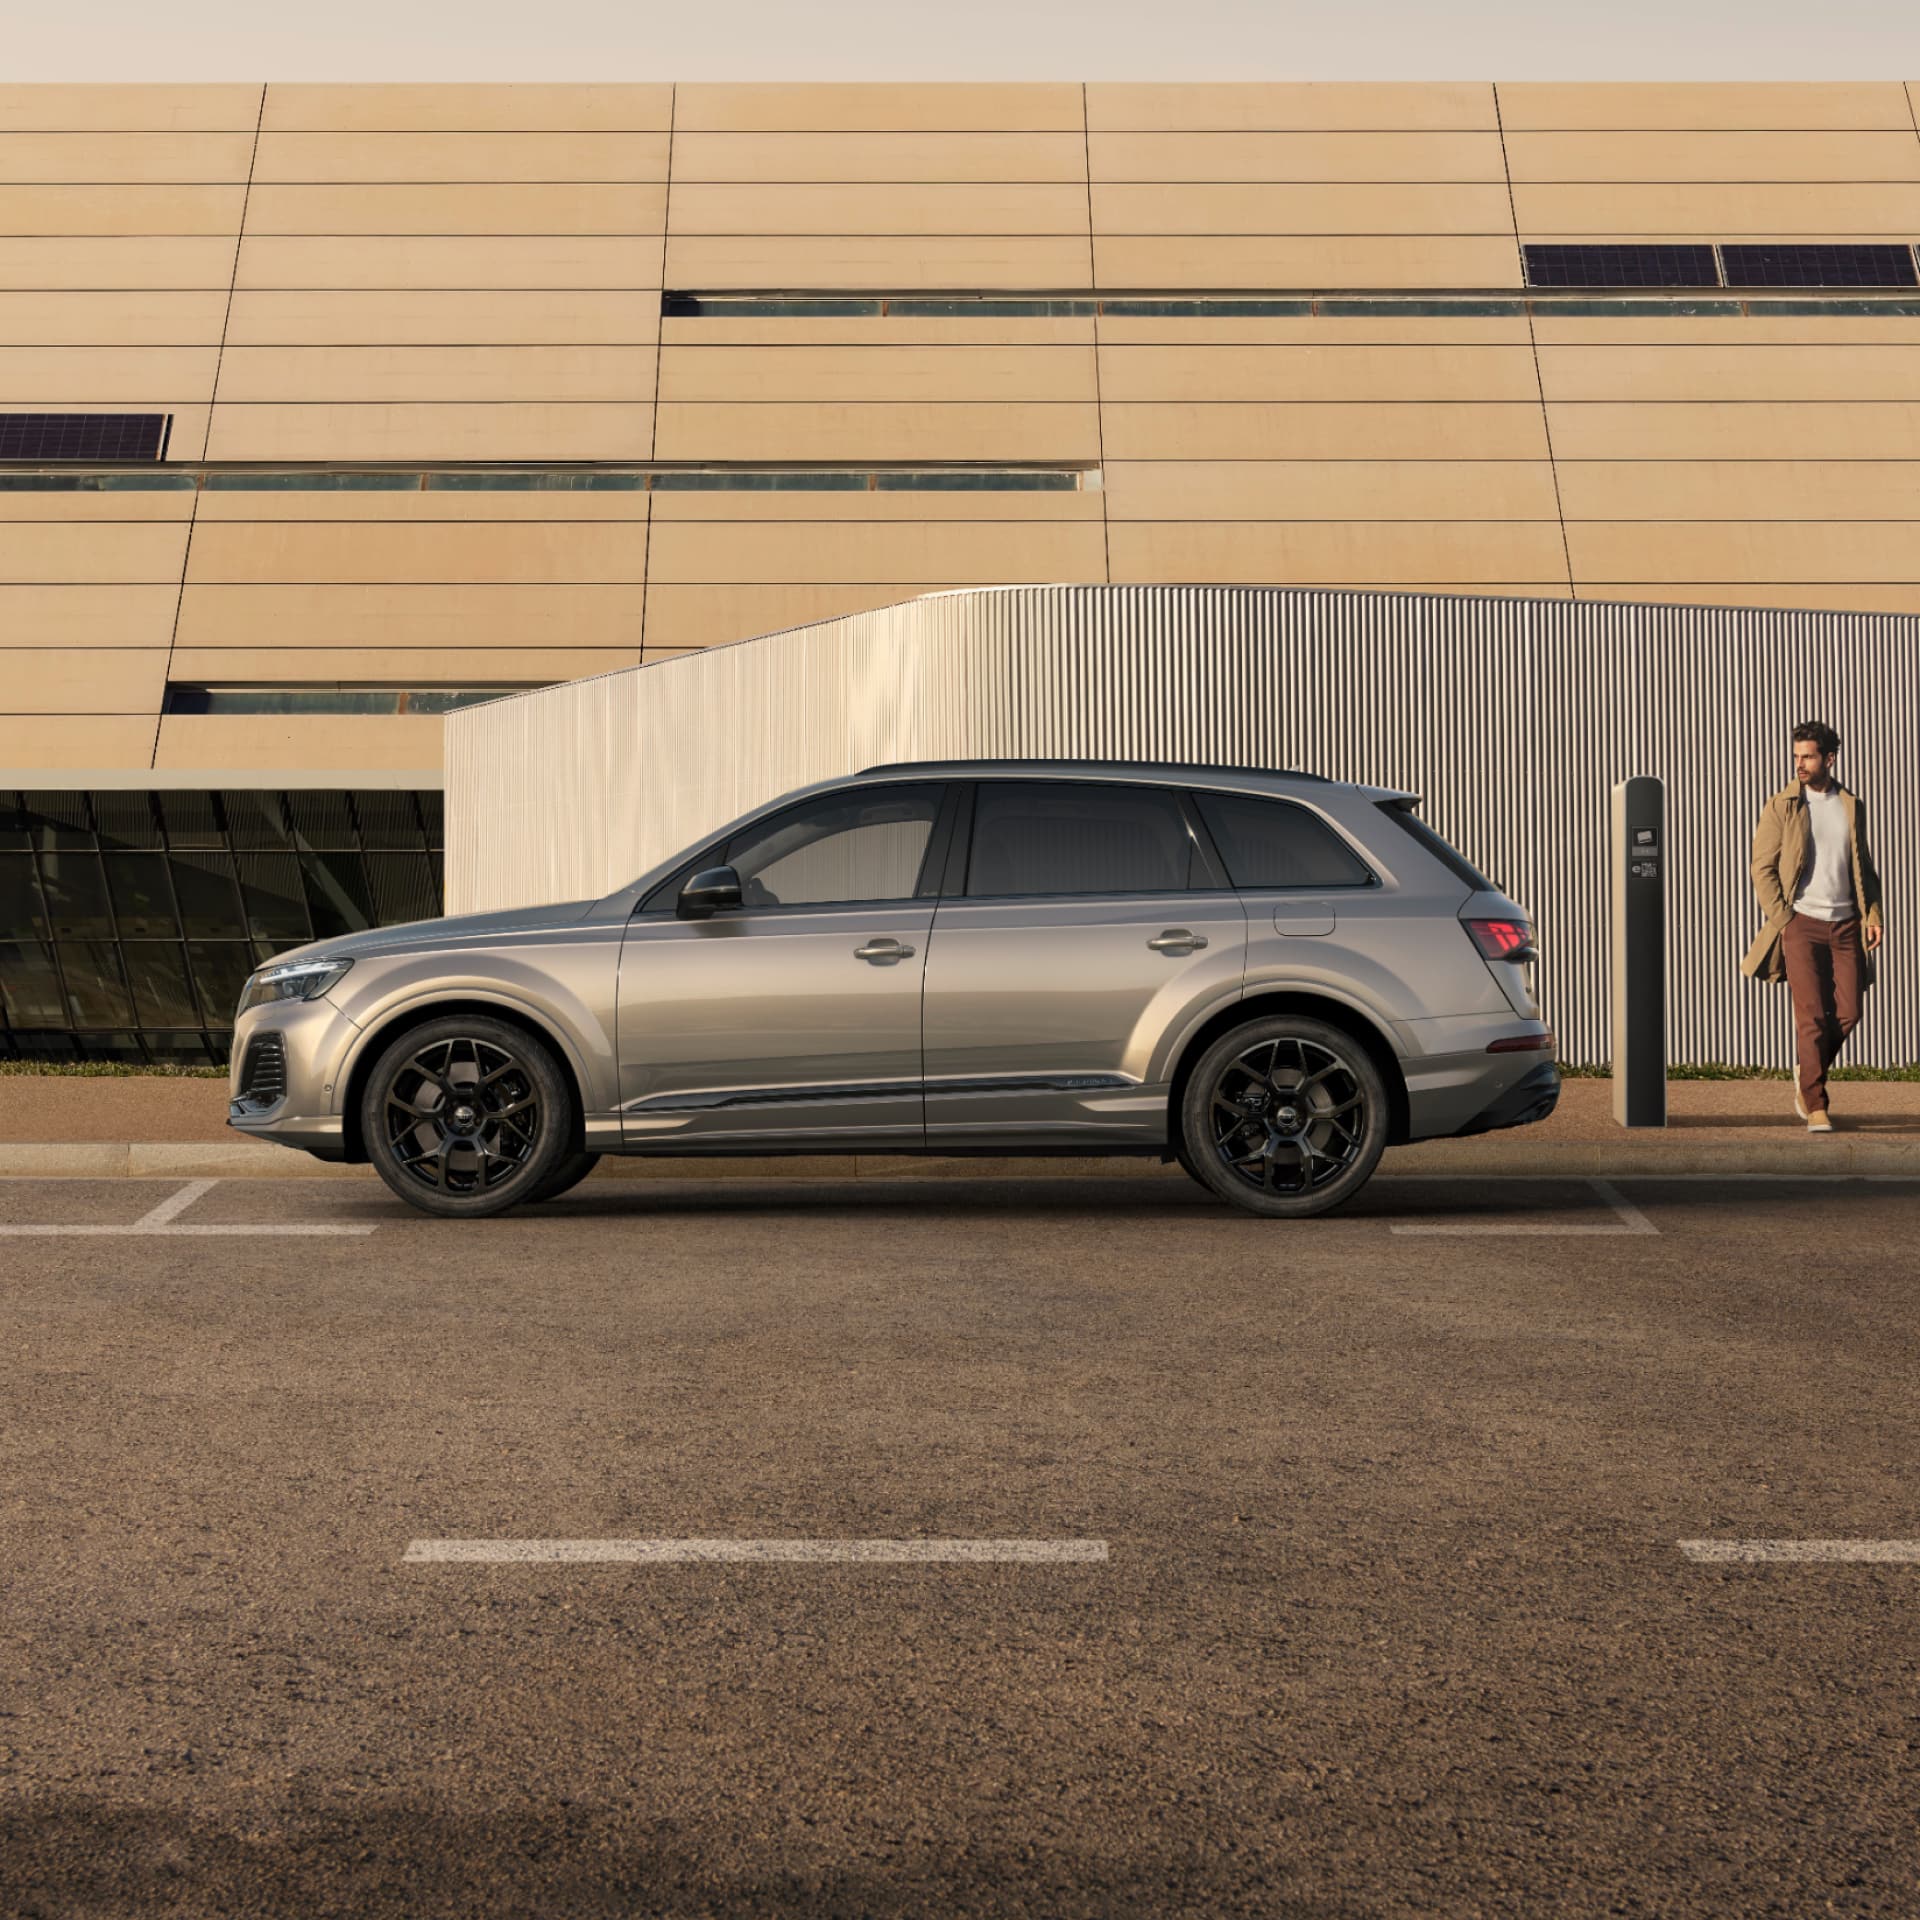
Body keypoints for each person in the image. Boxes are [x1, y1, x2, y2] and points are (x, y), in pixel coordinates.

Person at [1741, 721, 1885, 1133]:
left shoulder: (1850, 804)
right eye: (1796, 756)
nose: (1799, 764)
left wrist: (1873, 914)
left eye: (1808, 756)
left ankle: (1807, 1069)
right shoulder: (1782, 805)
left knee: (1850, 1012)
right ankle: (1815, 1103)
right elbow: (1762, 867)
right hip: (1802, 923)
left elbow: (1864, 867)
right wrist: (1784, 919)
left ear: (1829, 758)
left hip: (1846, 925)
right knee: (1811, 1017)